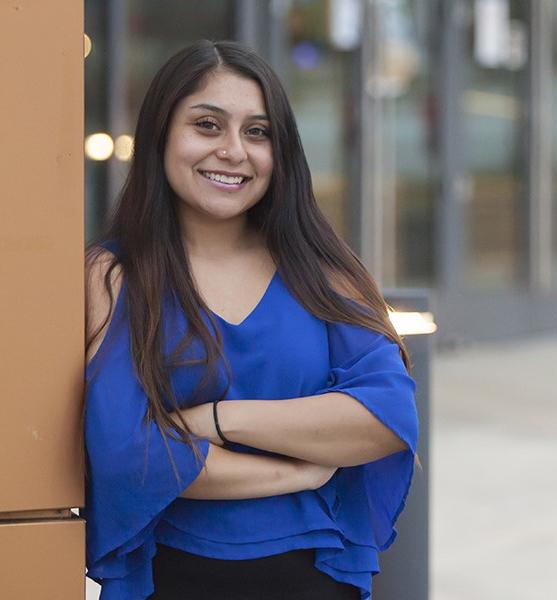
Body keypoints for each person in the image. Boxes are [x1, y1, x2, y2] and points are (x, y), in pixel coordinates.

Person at [83, 39, 418, 600]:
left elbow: (384, 419)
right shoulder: (113, 276)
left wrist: (217, 420)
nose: (233, 151)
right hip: (174, 580)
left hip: (313, 580)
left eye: (257, 132)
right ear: (162, 134)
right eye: (207, 125)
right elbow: (130, 456)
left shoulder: (320, 272)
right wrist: (298, 471)